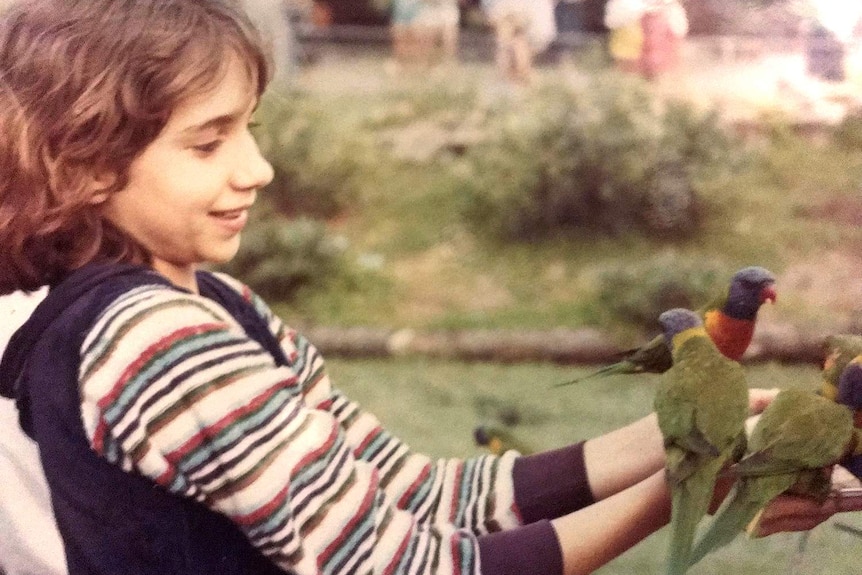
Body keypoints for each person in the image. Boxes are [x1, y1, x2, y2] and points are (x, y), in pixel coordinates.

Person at [0, 1, 831, 574]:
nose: (257, 169)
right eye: (207, 143)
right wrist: (691, 488)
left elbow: (419, 494)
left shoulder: (212, 306)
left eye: (247, 130)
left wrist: (671, 436)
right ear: (89, 161)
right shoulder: (154, 341)